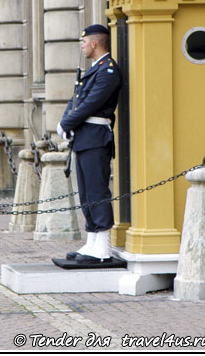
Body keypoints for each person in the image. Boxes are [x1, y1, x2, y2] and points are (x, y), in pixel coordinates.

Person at [57, 24, 122, 263]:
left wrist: (67, 124)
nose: (82, 46)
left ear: (94, 43)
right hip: (85, 136)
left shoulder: (108, 71)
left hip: (96, 136)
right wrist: (66, 122)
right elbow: (76, 100)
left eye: (84, 42)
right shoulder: (95, 69)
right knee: (86, 192)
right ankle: (92, 242)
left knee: (97, 190)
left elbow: (90, 104)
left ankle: (103, 248)